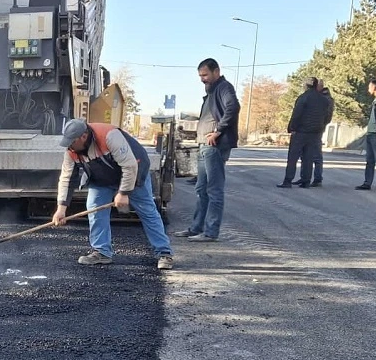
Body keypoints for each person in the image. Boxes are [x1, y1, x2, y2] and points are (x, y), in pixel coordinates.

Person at [52, 118, 174, 270]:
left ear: (83, 136)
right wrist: (61, 208)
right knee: (95, 207)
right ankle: (102, 252)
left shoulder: (109, 136)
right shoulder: (71, 151)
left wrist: (123, 192)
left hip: (133, 171)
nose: (69, 145)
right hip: (102, 177)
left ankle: (164, 253)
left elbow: (129, 166)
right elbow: (66, 178)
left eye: (71, 141)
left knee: (147, 210)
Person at [175, 58, 240, 241]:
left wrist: (218, 131)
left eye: (205, 75)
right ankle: (196, 228)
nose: (202, 79)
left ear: (216, 71)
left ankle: (211, 232)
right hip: (205, 146)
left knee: (214, 190)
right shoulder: (212, 90)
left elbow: (233, 107)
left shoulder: (224, 87)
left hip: (215, 146)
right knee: (201, 188)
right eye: (200, 76)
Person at [277, 78, 331, 188]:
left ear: (306, 85)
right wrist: (321, 126)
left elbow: (297, 114)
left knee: (293, 157)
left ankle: (288, 180)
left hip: (301, 131)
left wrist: (292, 127)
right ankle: (306, 181)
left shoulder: (303, 97)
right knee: (308, 157)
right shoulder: (324, 100)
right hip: (315, 133)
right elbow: (327, 116)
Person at [312, 81, 334, 186]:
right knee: (307, 154)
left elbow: (327, 116)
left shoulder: (326, 99)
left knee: (316, 155)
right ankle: (306, 177)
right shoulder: (320, 97)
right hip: (314, 127)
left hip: (318, 128)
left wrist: (320, 124)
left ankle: (317, 178)